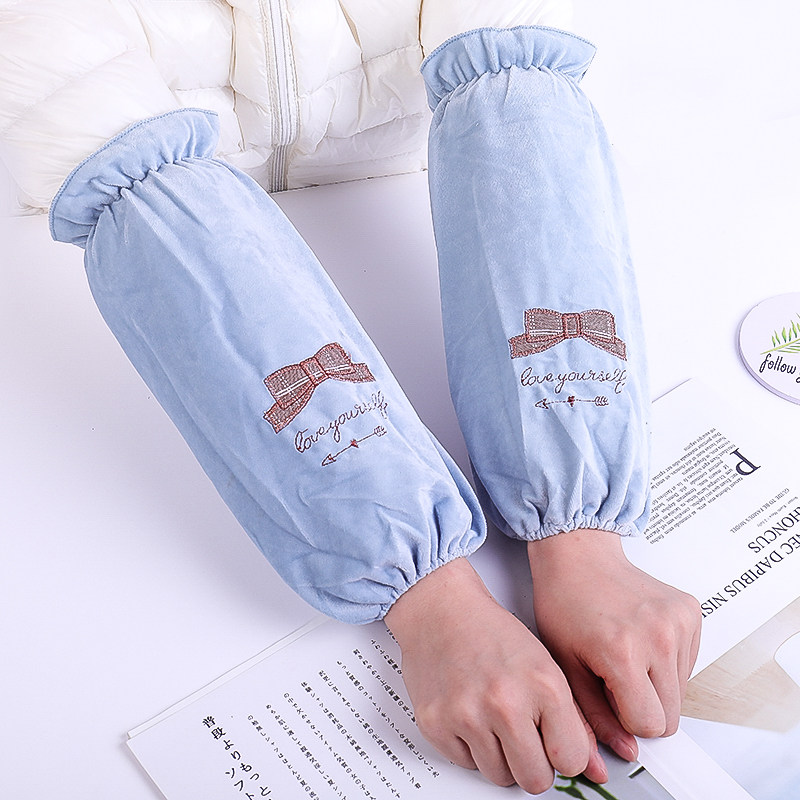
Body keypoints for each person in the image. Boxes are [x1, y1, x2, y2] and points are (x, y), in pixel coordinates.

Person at [0, 0, 701, 794]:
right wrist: (436, 604)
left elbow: (514, 73)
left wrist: (581, 538)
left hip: (403, 164)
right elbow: (104, 137)